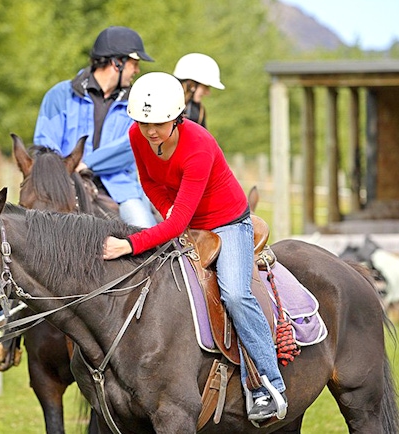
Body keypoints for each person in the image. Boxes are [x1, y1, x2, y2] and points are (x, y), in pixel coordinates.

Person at [102, 72, 287, 422]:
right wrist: (167, 206)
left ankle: (269, 385)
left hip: (227, 222)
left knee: (234, 294)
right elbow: (149, 182)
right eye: (143, 122)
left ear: (176, 117)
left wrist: (129, 244)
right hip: (186, 218)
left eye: (157, 123)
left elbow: (176, 226)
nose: (150, 131)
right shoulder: (136, 136)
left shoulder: (198, 146)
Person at [33, 26, 158, 228]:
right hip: (64, 186)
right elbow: (45, 145)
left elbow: (133, 144)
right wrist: (67, 169)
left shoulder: (137, 102)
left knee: (147, 231)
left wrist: (87, 164)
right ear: (117, 62)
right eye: (134, 63)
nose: (137, 70)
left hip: (120, 190)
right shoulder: (59, 95)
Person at [172, 52, 225, 128]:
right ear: (192, 84)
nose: (208, 93)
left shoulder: (197, 112)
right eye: (206, 87)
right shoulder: (160, 103)